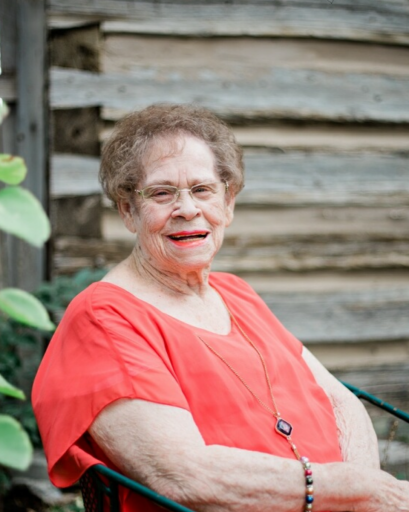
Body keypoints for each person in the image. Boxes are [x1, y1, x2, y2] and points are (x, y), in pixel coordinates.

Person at [32, 104, 409, 512]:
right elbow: (186, 475)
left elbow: (340, 401)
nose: (187, 209)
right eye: (161, 193)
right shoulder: (104, 319)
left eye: (202, 189)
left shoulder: (234, 293)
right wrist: (355, 491)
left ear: (228, 203)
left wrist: (363, 496)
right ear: (129, 210)